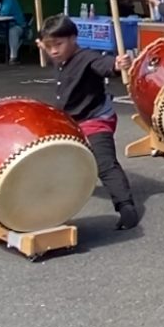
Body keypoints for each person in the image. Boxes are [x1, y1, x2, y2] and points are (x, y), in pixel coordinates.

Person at [37, 16, 143, 231]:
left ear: (73, 38)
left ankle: (126, 207)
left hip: (95, 118)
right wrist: (44, 43)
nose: (54, 51)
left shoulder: (87, 57)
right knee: (49, 156)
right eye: (49, 46)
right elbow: (48, 46)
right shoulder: (58, 55)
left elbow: (105, 65)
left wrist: (117, 64)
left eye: (58, 44)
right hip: (70, 119)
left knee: (104, 164)